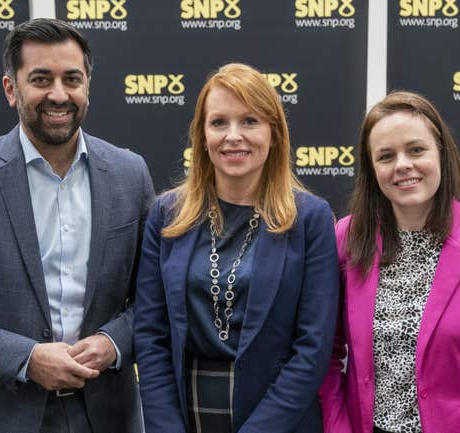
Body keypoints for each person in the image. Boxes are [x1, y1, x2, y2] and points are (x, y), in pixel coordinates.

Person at [0, 18, 154, 433]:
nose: (59, 94)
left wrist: (113, 343)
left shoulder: (130, 174)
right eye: (41, 79)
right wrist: (27, 358)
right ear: (11, 89)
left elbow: (156, 299)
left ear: (87, 87)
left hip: (109, 417)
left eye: (71, 79)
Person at [134, 63, 339, 433]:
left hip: (278, 423)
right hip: (186, 417)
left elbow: (313, 349)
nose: (233, 136)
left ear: (274, 134)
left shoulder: (310, 219)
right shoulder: (166, 216)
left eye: (249, 121)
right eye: (219, 123)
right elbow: (151, 338)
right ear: (201, 135)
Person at [319, 91, 460, 433]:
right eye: (386, 156)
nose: (403, 164)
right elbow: (325, 355)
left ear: (441, 154)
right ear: (372, 169)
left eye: (416, 150)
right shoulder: (346, 239)